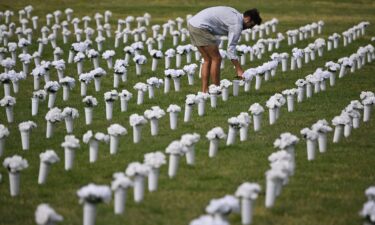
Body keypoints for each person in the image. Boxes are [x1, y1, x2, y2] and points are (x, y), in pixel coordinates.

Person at [187, 6, 262, 92]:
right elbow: (230, 48)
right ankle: (216, 90)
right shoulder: (237, 25)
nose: (250, 28)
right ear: (247, 19)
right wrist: (239, 69)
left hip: (193, 24)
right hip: (201, 27)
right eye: (251, 25)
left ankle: (205, 91)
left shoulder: (236, 14)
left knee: (207, 59)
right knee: (216, 58)